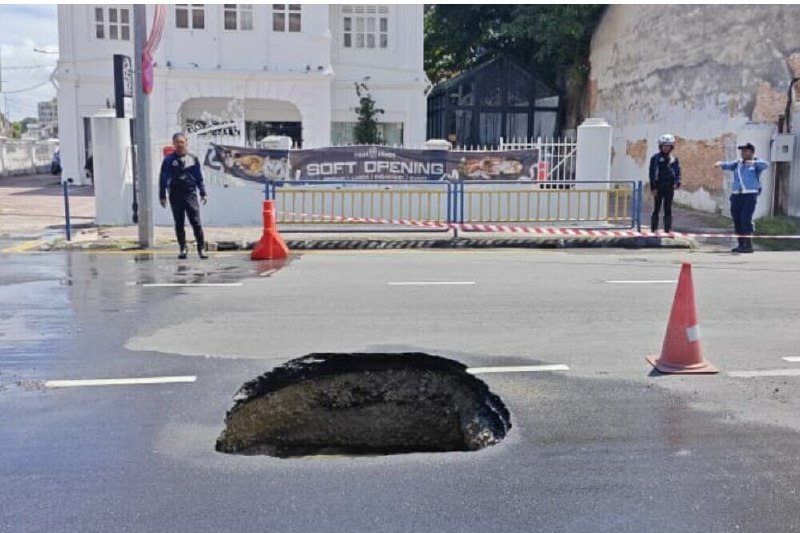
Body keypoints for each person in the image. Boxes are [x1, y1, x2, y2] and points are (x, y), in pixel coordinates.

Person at [159, 133, 208, 259]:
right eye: (177, 142)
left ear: (186, 142)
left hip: (190, 193)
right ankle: (183, 248)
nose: (180, 144)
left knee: (196, 222)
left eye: (182, 142)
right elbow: (163, 178)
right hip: (175, 194)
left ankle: (201, 248)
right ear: (173, 143)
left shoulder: (192, 158)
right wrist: (162, 195)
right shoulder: (169, 160)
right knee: (179, 222)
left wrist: (202, 192)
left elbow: (198, 177)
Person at [714, 142, 769, 253]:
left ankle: (748, 245)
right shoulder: (737, 164)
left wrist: (753, 162)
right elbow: (727, 164)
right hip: (736, 195)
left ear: (752, 152)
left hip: (749, 195)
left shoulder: (755, 164)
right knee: (737, 220)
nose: (743, 153)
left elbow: (765, 165)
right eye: (742, 151)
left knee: (746, 219)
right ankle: (740, 244)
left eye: (746, 151)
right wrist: (719, 163)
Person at [648, 134, 681, 232]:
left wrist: (677, 182)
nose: (666, 148)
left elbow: (678, 171)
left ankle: (667, 229)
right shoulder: (656, 158)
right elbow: (652, 173)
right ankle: (654, 228)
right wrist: (653, 187)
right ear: (660, 146)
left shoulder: (674, 159)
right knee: (656, 207)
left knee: (668, 208)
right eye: (664, 146)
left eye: (668, 146)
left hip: (669, 187)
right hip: (659, 186)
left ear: (671, 147)